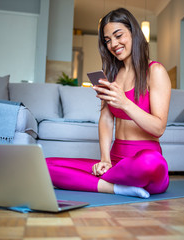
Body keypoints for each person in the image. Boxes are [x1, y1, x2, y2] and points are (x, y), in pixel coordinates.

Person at [46, 8, 171, 199]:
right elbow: (105, 119)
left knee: (150, 163)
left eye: (118, 35)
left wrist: (125, 103)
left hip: (144, 162)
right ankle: (115, 187)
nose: (113, 44)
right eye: (107, 40)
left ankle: (99, 181)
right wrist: (105, 159)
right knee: (45, 165)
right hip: (115, 161)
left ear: (133, 32)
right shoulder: (111, 76)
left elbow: (158, 128)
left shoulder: (156, 71)